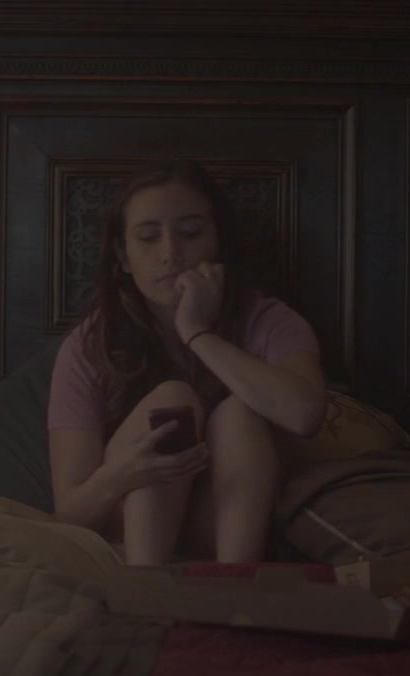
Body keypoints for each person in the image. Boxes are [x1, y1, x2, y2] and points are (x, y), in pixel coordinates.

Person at [47, 157, 327, 566]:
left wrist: (197, 333)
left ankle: (235, 584)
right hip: (131, 527)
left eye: (191, 233)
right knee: (171, 402)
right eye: (148, 237)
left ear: (218, 242)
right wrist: (123, 474)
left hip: (227, 523)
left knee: (238, 415)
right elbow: (69, 514)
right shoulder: (90, 346)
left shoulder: (269, 321)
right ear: (123, 257)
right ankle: (147, 585)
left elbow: (305, 415)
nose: (171, 254)